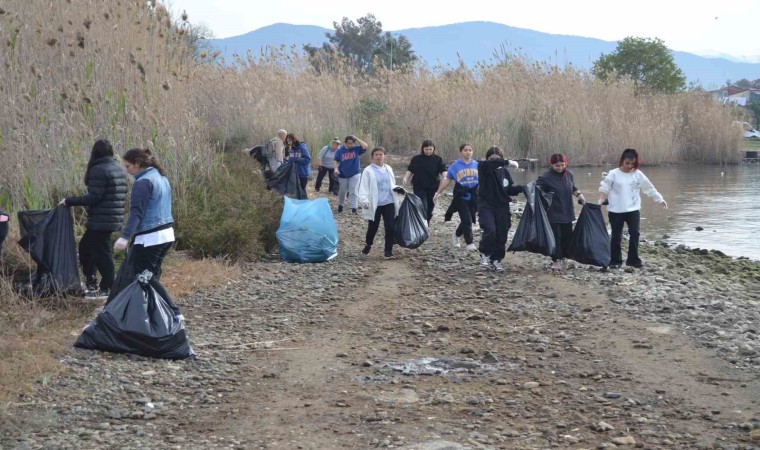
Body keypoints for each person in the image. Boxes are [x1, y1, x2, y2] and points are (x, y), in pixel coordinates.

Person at [59, 139, 128, 299]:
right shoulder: (118, 168)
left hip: (101, 220)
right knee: (85, 248)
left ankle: (107, 288)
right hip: (111, 217)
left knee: (102, 254)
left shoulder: (99, 169)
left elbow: (94, 197)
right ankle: (93, 282)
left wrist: (69, 201)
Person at [114, 148, 175, 284]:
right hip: (166, 235)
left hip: (150, 238)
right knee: (152, 276)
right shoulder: (161, 177)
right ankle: (153, 305)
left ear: (137, 163)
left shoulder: (143, 182)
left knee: (142, 278)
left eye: (127, 166)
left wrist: (125, 236)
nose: (126, 170)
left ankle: (168, 306)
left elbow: (136, 212)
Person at [598, 148, 667, 269]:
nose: (630, 166)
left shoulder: (637, 174)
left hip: (633, 210)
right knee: (616, 236)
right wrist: (601, 200)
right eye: (627, 163)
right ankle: (615, 261)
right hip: (616, 210)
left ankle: (633, 260)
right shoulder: (613, 173)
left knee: (635, 233)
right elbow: (605, 187)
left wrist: (659, 199)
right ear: (622, 161)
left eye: (632, 164)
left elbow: (649, 188)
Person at [476, 146, 523, 272]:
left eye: (498, 159)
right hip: (486, 204)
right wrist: (508, 162)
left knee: (502, 233)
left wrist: (522, 188)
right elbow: (490, 164)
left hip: (502, 205)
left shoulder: (504, 172)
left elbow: (509, 189)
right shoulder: (483, 167)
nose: (495, 161)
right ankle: (485, 254)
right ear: (487, 159)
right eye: (492, 159)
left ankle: (496, 260)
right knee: (490, 229)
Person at [536, 153, 585, 272]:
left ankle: (563, 257)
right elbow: (536, 189)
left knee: (567, 237)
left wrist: (580, 196)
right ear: (551, 164)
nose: (560, 168)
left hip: (567, 210)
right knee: (556, 236)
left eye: (562, 165)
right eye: (557, 165)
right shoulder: (546, 177)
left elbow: (572, 187)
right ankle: (556, 260)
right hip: (553, 212)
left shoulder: (569, 174)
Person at [357, 147, 401, 259]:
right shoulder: (368, 170)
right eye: (376, 154)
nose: (378, 157)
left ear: (384, 156)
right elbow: (363, 187)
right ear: (373, 156)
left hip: (389, 202)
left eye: (381, 154)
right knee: (373, 227)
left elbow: (392, 184)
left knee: (390, 227)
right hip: (375, 203)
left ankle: (388, 251)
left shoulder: (389, 169)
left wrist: (398, 189)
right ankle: (368, 245)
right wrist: (364, 201)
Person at [434, 143, 479, 251]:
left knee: (468, 220)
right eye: (465, 150)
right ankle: (470, 243)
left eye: (470, 150)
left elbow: (484, 180)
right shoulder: (455, 166)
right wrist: (438, 192)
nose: (468, 152)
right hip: (461, 196)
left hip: (474, 196)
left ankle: (456, 235)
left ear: (472, 152)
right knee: (467, 220)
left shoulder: (477, 165)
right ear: (461, 152)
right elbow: (447, 180)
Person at [402, 139, 447, 224]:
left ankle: (426, 225)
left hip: (433, 187)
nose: (428, 151)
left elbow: (443, 170)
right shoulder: (416, 159)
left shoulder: (438, 159)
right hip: (419, 186)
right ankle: (421, 224)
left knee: (430, 209)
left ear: (433, 149)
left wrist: (445, 176)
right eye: (426, 149)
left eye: (430, 149)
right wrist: (405, 178)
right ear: (423, 149)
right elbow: (410, 170)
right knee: (422, 206)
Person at [334, 134, 369, 214]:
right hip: (342, 173)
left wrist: (356, 138)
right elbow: (335, 160)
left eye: (351, 143)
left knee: (353, 190)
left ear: (354, 143)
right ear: (345, 143)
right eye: (348, 143)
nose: (350, 145)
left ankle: (354, 208)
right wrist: (335, 169)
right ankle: (341, 205)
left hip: (355, 173)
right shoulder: (340, 150)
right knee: (342, 191)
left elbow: (365, 146)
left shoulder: (356, 149)